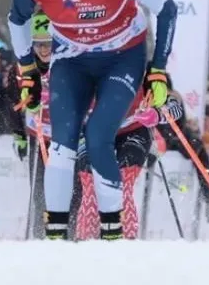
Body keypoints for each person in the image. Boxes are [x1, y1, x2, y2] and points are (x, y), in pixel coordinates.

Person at [8, 0, 178, 240]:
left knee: (99, 135)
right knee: (62, 142)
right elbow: (17, 19)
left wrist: (158, 69)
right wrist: (26, 70)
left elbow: (166, 7)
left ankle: (111, 236)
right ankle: (55, 238)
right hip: (72, 57)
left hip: (122, 56)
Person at [75, 79, 187, 240]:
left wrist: (158, 114)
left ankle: (125, 246)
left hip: (134, 130)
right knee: (91, 185)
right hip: (93, 130)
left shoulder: (145, 72)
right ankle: (85, 246)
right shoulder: (89, 64)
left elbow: (176, 107)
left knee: (123, 184)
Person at [14, 11, 54, 237]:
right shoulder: (24, 68)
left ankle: (66, 236)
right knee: (39, 190)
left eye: (48, 43)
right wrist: (18, 134)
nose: (43, 49)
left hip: (65, 138)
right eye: (38, 44)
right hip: (37, 136)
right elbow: (11, 102)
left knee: (68, 190)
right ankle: (39, 235)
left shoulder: (68, 65)